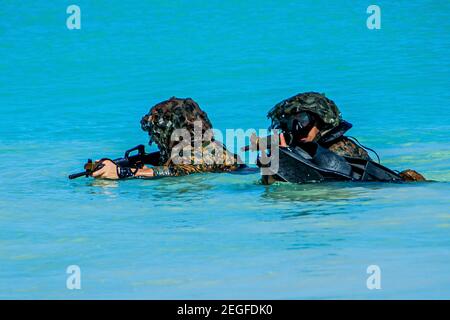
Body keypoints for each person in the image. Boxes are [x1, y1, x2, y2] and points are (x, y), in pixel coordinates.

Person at [261, 92, 425, 182]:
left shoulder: (340, 148)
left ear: (321, 121)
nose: (297, 129)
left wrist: (286, 158)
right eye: (290, 124)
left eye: (304, 122)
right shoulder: (303, 151)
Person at [92, 97, 243, 179]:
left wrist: (122, 172)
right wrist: (123, 163)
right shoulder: (204, 145)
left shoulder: (196, 153)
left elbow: (175, 171)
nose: (154, 138)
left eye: (157, 131)